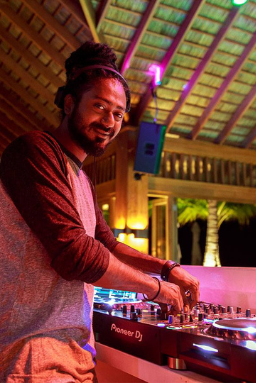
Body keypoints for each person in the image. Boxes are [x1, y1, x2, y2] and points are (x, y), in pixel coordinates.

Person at [0, 41, 199, 380]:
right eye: (99, 106)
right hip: (31, 352)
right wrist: (155, 289)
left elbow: (106, 243)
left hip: (73, 351)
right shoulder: (34, 151)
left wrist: (167, 269)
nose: (110, 121)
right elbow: (75, 253)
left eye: (118, 114)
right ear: (69, 103)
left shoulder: (81, 177)